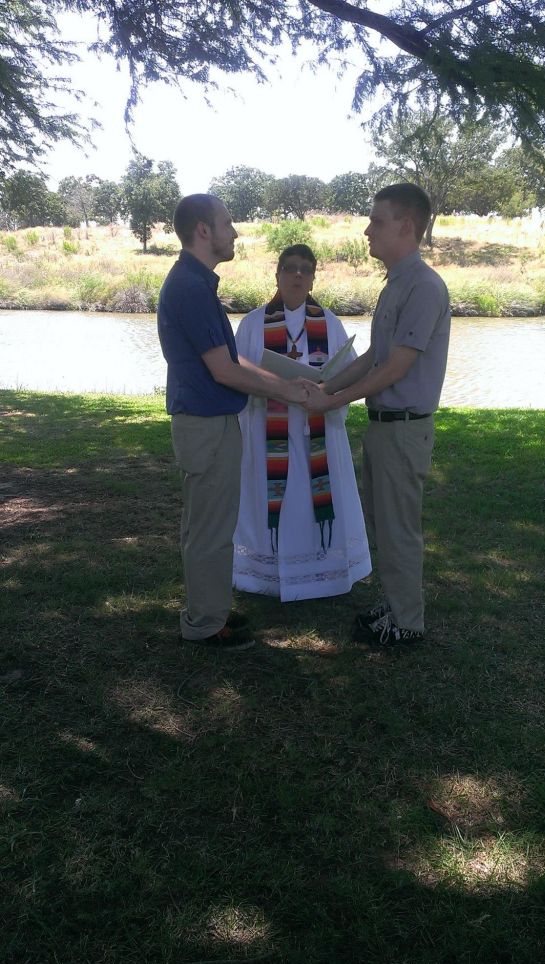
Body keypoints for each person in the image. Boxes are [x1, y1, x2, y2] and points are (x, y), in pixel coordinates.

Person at [157, 194, 308, 651]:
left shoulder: (197, 284)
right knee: (208, 529)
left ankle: (211, 608)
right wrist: (290, 392)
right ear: (203, 230)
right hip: (205, 424)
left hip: (211, 421)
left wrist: (290, 378)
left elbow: (232, 359)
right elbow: (224, 372)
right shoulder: (189, 287)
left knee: (212, 525)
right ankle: (205, 623)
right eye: (227, 222)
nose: (235, 231)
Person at [302, 183, 450, 646]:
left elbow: (396, 368)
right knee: (385, 525)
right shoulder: (398, 283)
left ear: (405, 226)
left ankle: (408, 623)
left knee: (399, 529)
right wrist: (328, 385)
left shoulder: (424, 286)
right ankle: (398, 603)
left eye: (377, 220)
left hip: (404, 430)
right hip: (387, 429)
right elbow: (373, 358)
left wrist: (331, 401)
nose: (367, 230)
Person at [233, 244, 372, 601]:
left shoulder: (328, 322)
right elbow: (236, 373)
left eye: (305, 270)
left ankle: (321, 574)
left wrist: (326, 389)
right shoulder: (253, 323)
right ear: (276, 274)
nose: (297, 275)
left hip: (318, 431)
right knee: (276, 497)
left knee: (314, 503)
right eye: (290, 268)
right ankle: (267, 574)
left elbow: (348, 370)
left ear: (312, 279)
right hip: (270, 432)